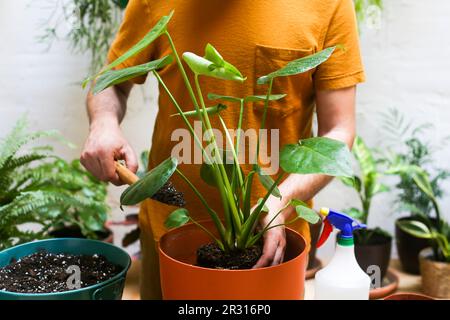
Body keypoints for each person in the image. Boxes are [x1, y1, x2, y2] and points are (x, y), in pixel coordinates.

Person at [81, 0, 364, 299]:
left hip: (268, 243)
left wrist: (282, 202)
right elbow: (111, 83)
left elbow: (339, 130)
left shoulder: (328, 5)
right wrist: (103, 123)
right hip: (171, 237)